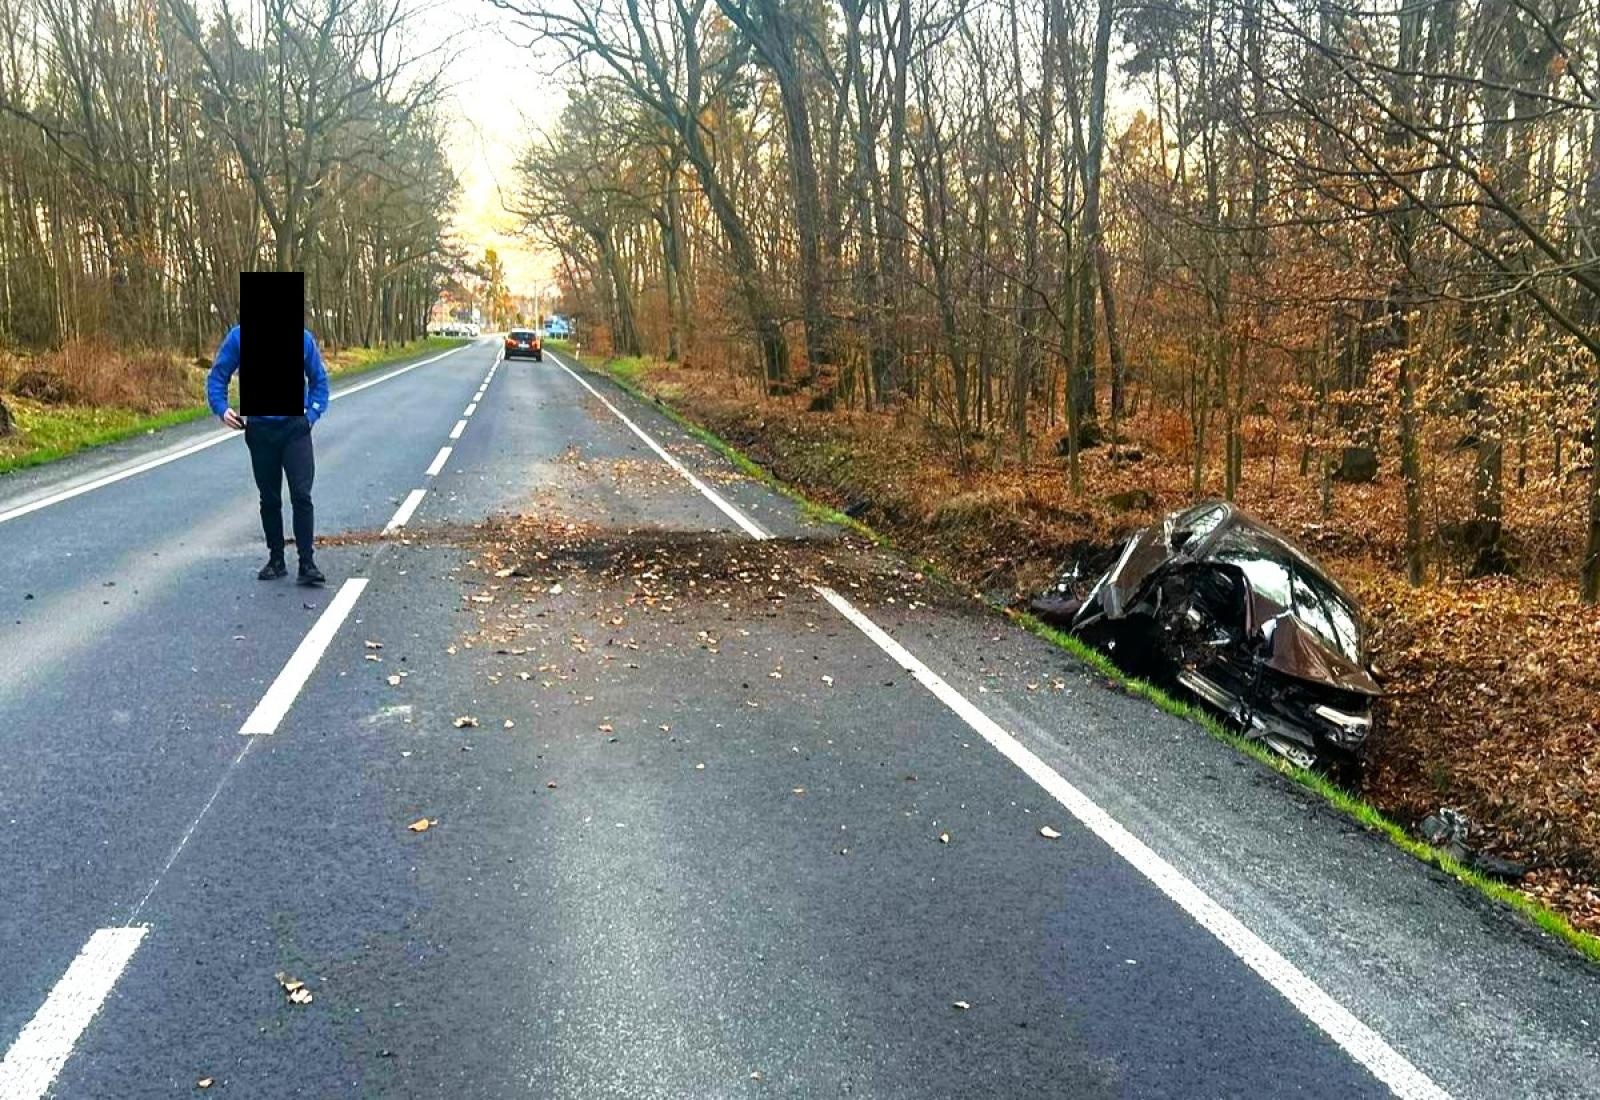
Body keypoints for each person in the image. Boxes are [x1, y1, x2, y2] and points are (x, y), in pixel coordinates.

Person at [207, 325, 330, 585]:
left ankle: (307, 563)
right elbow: (218, 375)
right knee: (270, 497)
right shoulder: (239, 337)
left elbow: (319, 380)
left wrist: (311, 416)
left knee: (301, 494)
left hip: (295, 428)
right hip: (261, 430)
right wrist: (221, 407)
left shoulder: (302, 338)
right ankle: (276, 560)